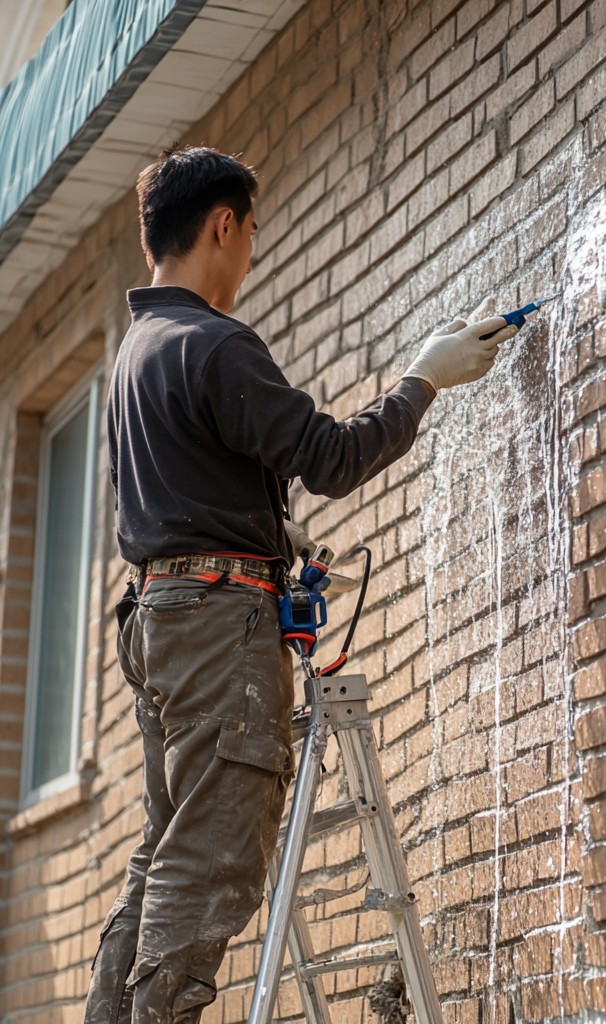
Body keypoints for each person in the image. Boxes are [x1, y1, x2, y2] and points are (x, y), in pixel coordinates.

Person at [84, 144, 517, 1023]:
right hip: (214, 629)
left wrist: (265, 531)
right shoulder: (212, 341)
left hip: (160, 622)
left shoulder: (138, 354)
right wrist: (424, 379)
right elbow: (332, 457)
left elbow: (195, 487)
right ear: (221, 224)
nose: (251, 255)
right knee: (209, 863)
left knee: (164, 854)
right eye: (250, 235)